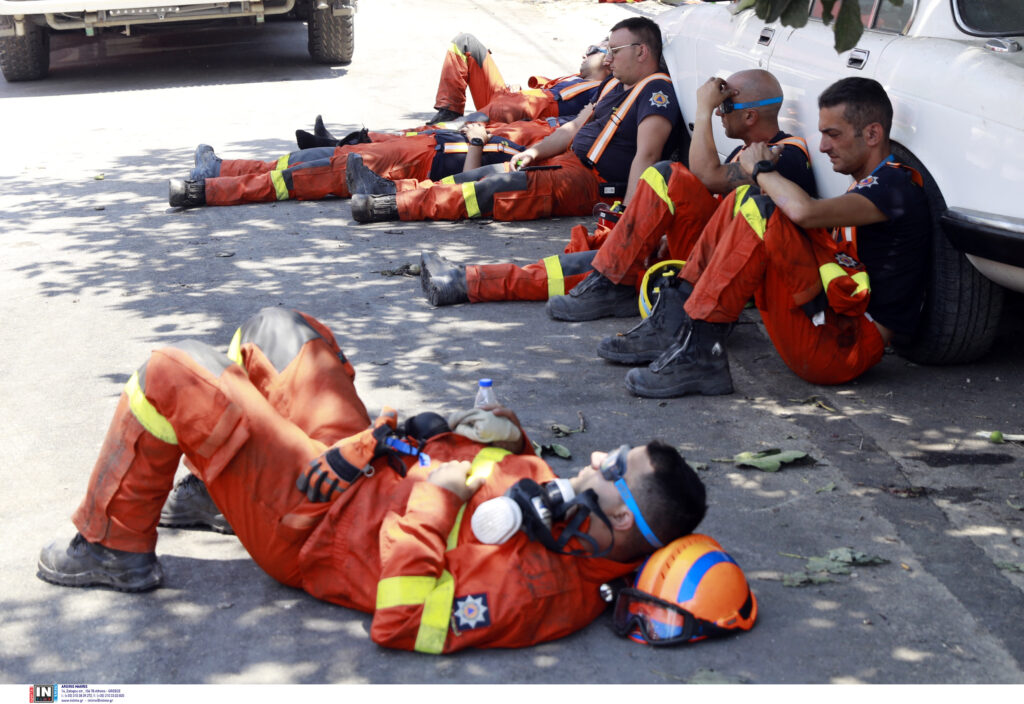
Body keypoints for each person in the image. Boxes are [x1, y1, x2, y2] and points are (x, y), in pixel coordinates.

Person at [36, 307, 708, 653]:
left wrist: (430, 501)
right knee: (283, 334)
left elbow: (404, 620)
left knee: (172, 373)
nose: (594, 463)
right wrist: (504, 435)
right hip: (357, 467)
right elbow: (496, 483)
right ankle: (224, 495)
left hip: (314, 527)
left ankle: (110, 547)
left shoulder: (536, 591)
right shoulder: (572, 518)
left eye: (615, 471)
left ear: (625, 521)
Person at [416, 70, 817, 323]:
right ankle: (466, 279)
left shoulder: (786, 155)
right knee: (595, 257)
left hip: (715, 269)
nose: (717, 112)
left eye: (725, 106)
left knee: (584, 268)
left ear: (750, 116)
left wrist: (700, 105)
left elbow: (707, 177)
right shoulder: (754, 150)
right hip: (699, 247)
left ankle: (464, 284)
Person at [613, 77, 929, 398]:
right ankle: (679, 320)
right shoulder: (873, 184)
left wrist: (761, 169)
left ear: (873, 134)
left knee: (761, 208)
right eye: (822, 134)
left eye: (833, 135)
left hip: (845, 347)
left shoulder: (896, 187)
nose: (823, 146)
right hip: (832, 322)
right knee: (744, 200)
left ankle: (700, 355)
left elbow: (804, 212)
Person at [350, 17, 681, 224]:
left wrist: (629, 216)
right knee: (479, 173)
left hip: (589, 182)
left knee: (493, 191)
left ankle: (390, 207)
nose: (607, 59)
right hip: (565, 160)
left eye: (615, 51)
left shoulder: (657, 92)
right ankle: (395, 193)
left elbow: (647, 157)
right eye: (605, 50)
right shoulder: (614, 84)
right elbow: (573, 128)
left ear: (642, 52)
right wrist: (535, 153)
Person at [167, 118, 558, 208]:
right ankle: (221, 168)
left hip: (410, 168)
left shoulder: (530, 166)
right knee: (312, 158)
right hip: (415, 149)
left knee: (301, 175)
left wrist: (475, 141)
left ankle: (209, 188)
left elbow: (466, 179)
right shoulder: (535, 145)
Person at [427, 32, 611, 125]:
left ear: (609, 59)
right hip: (509, 100)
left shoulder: (603, 91)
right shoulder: (574, 79)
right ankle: (450, 110)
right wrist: (521, 92)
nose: (584, 55)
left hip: (516, 114)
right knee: (464, 41)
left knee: (452, 131)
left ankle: (436, 132)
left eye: (591, 51)